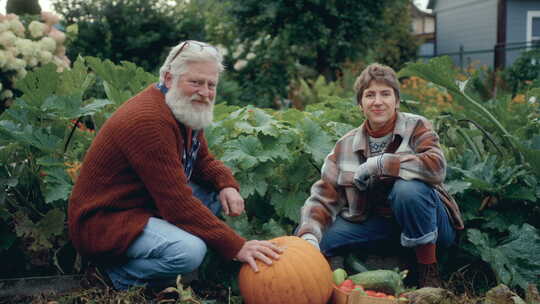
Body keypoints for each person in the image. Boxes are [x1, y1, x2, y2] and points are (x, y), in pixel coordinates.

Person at [68, 40, 282, 291]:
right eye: (196, 82)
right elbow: (176, 204)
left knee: (217, 195)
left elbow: (203, 162)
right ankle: (114, 277)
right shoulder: (149, 121)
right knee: (189, 251)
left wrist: (227, 184)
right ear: (169, 78)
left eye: (210, 84)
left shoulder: (182, 107)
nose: (204, 92)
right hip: (106, 221)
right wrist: (236, 246)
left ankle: (166, 263)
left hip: (143, 205)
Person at [295, 63, 464, 288]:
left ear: (396, 100)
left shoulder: (416, 127)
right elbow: (324, 196)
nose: (377, 101)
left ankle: (428, 271)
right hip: (378, 225)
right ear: (360, 104)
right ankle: (338, 278)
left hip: (431, 222)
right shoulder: (344, 146)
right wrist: (309, 235)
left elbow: (437, 167)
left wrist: (384, 164)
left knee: (408, 190)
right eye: (369, 95)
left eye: (385, 94)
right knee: (315, 240)